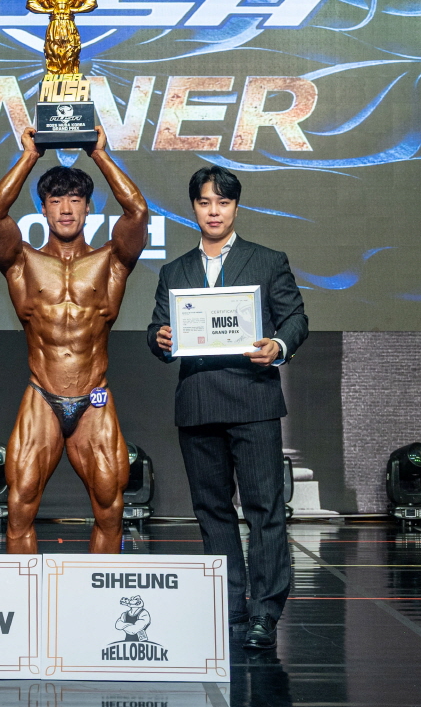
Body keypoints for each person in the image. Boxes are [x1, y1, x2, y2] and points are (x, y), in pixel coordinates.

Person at [146, 166, 308, 651]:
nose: (213, 211)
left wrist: (278, 345)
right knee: (212, 509)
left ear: (236, 207)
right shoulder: (174, 271)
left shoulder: (268, 261)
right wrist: (160, 338)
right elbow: (157, 330)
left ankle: (265, 612)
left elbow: (295, 318)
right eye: (205, 202)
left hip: (254, 398)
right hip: (198, 400)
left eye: (223, 202)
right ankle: (229, 604)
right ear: (193, 207)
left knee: (264, 509)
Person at [0, 126, 149, 553]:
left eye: (75, 199)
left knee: (110, 508)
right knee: (19, 506)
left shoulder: (112, 261)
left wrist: (99, 154)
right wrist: (29, 155)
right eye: (56, 200)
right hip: (43, 394)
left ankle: (98, 595)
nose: (65, 208)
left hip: (94, 397)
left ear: (89, 207)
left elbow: (137, 213)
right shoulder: (21, 262)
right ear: (42, 208)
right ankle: (24, 594)